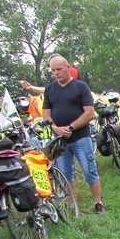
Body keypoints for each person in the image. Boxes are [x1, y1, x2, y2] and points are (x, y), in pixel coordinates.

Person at [41, 55, 105, 214]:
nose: (56, 73)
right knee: (64, 173)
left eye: (59, 69)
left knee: (89, 170)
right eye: (53, 70)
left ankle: (98, 202)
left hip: (81, 137)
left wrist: (71, 127)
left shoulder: (80, 87)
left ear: (67, 67)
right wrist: (55, 128)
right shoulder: (50, 89)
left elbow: (89, 113)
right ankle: (71, 204)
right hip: (60, 140)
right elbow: (46, 114)